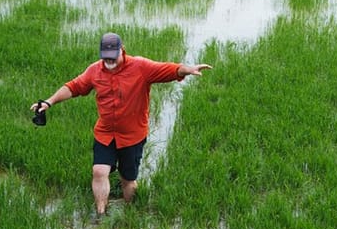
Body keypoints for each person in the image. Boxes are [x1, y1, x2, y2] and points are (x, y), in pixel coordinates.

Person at [30, 32, 212, 217]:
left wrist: (187, 69)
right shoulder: (95, 70)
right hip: (106, 133)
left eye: (113, 57)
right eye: (105, 58)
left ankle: (130, 214)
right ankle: (101, 213)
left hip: (132, 136)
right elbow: (74, 86)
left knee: (128, 181)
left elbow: (169, 69)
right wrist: (48, 102)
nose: (108, 62)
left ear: (121, 51)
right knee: (99, 171)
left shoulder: (140, 66)